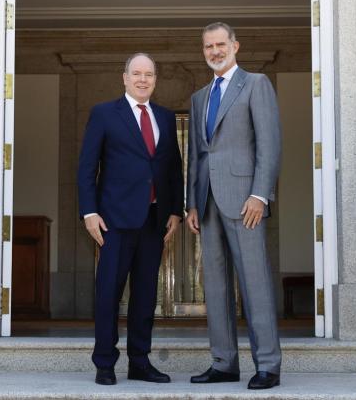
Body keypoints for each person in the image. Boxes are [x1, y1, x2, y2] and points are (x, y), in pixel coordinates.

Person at [77, 53, 184, 386]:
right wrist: (89, 212)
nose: (142, 79)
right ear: (124, 77)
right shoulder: (105, 114)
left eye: (148, 74)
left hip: (154, 220)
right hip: (114, 220)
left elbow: (173, 168)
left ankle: (140, 361)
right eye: (136, 74)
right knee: (108, 292)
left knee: (145, 294)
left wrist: (175, 211)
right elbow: (86, 167)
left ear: (155, 79)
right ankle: (105, 363)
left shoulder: (166, 118)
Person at [186, 22, 282, 390]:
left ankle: (268, 366)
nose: (215, 51)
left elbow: (269, 144)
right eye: (208, 46)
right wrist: (192, 202)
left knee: (254, 282)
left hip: (246, 202)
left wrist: (260, 194)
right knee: (215, 286)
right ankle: (224, 362)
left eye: (220, 44)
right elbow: (197, 154)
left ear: (235, 46)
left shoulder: (256, 84)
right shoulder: (199, 98)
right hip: (208, 202)